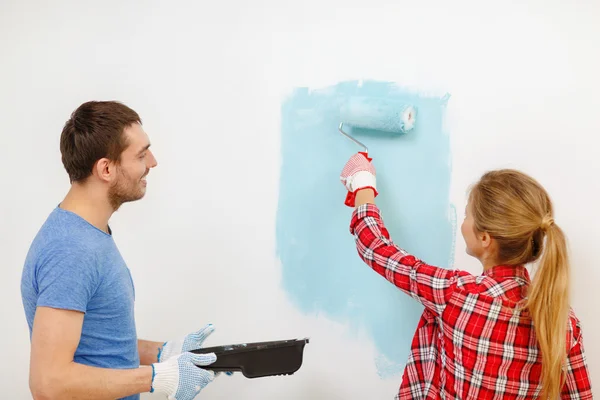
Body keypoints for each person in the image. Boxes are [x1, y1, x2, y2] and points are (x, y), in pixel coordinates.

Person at [339, 152, 593, 399]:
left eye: (467, 215)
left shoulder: (457, 295)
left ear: (485, 238)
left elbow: (377, 248)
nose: (463, 223)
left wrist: (363, 182)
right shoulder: (562, 320)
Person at [20, 101, 221, 400]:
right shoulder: (72, 249)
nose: (152, 162)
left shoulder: (88, 234)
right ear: (106, 168)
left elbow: (95, 342)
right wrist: (154, 378)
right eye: (141, 154)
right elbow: (48, 382)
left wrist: (162, 352)